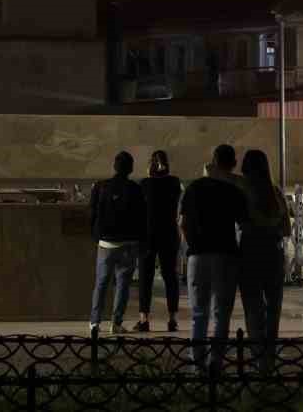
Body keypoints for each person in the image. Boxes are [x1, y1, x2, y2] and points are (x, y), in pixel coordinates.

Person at [178, 143, 248, 373]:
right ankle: (216, 362)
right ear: (233, 164)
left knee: (199, 313)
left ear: (213, 160)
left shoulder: (194, 187)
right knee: (222, 314)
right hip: (225, 256)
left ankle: (197, 364)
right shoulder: (233, 191)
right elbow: (244, 223)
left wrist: (193, 245)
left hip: (197, 256)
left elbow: (183, 223)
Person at [237, 149, 291, 373]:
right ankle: (269, 358)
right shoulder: (276, 193)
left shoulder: (243, 191)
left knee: (252, 307)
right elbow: (286, 229)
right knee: (273, 308)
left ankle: (257, 355)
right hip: (273, 253)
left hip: (249, 252)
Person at [88, 150, 146, 336]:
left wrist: (96, 236)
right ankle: (116, 322)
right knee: (122, 284)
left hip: (106, 243)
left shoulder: (101, 186)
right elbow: (141, 219)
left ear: (114, 166)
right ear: (130, 168)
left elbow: (92, 213)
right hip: (128, 244)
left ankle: (95, 323)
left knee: (101, 283)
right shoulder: (136, 189)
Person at [135, 150, 182, 332]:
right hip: (169, 234)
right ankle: (172, 319)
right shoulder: (174, 182)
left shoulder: (144, 184)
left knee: (145, 278)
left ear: (150, 166)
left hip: (147, 235)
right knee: (171, 277)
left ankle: (144, 319)